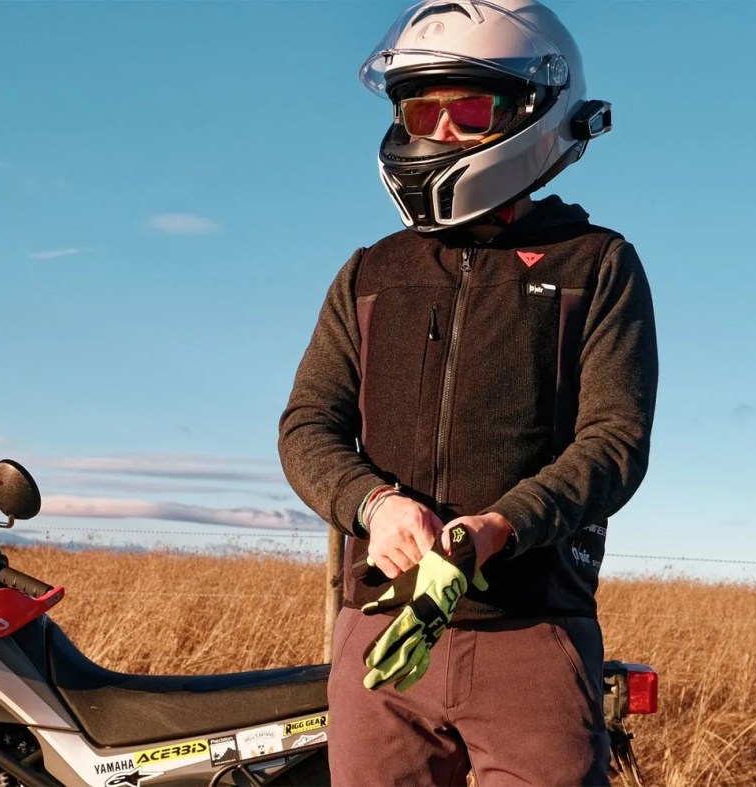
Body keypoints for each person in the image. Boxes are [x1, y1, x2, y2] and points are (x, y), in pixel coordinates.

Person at [278, 1, 658, 784]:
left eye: (469, 111)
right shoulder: (370, 272)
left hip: (533, 632)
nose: (440, 134)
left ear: (531, 110)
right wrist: (374, 505)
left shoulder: (596, 264)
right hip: (381, 635)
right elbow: (307, 426)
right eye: (423, 112)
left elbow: (614, 442)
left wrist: (498, 528)